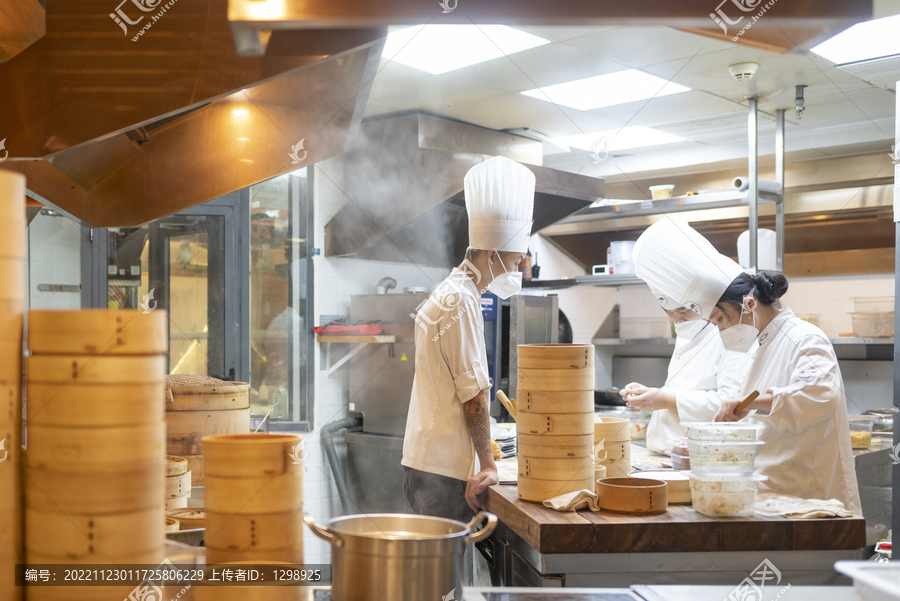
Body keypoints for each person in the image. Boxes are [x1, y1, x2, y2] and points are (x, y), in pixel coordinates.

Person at [402, 156, 533, 522]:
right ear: (492, 255)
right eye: (516, 260)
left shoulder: (454, 292)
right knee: (443, 578)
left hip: (429, 466)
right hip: (441, 475)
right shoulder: (460, 300)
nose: (519, 270)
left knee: (441, 574)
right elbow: (473, 393)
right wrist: (489, 464)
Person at [712, 271, 862, 516]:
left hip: (809, 494)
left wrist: (747, 403)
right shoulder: (762, 345)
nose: (721, 329)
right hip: (776, 491)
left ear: (750, 304)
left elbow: (820, 394)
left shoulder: (805, 337)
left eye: (720, 318)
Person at [620, 290, 752, 454]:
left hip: (703, 455)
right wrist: (647, 395)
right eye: (669, 313)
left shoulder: (731, 334)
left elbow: (733, 402)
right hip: (667, 452)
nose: (677, 319)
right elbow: (684, 386)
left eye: (683, 312)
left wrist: (665, 399)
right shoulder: (687, 330)